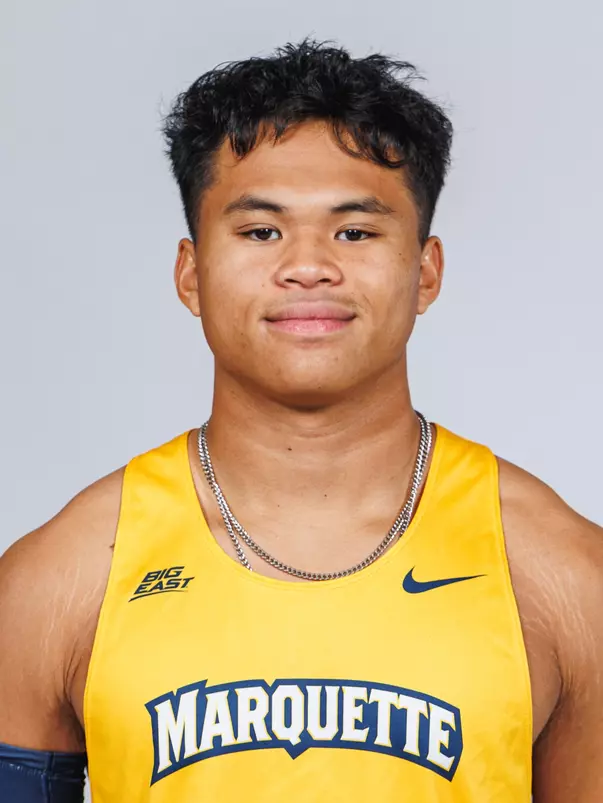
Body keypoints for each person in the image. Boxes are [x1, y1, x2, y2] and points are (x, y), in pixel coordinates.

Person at [0, 38, 601, 803]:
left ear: (425, 272)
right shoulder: (57, 579)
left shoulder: (566, 577)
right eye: (260, 231)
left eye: (354, 231)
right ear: (191, 272)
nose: (308, 264)